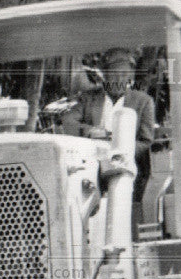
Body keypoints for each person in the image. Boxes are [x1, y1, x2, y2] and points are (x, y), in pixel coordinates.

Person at [56, 52, 157, 200]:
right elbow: (68, 121)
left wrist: (120, 151)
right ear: (104, 75)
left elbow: (146, 140)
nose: (119, 79)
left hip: (126, 165)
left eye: (124, 74)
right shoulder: (88, 98)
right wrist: (90, 131)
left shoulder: (143, 101)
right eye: (113, 74)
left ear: (130, 77)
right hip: (92, 163)